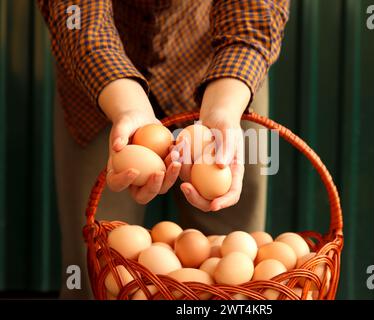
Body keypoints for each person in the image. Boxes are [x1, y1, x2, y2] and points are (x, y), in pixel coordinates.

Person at [37, 0, 290, 299]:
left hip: (223, 69)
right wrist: (127, 107)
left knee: (234, 262)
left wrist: (224, 108)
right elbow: (76, 16)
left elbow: (254, 13)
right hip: (98, 78)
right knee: (99, 266)